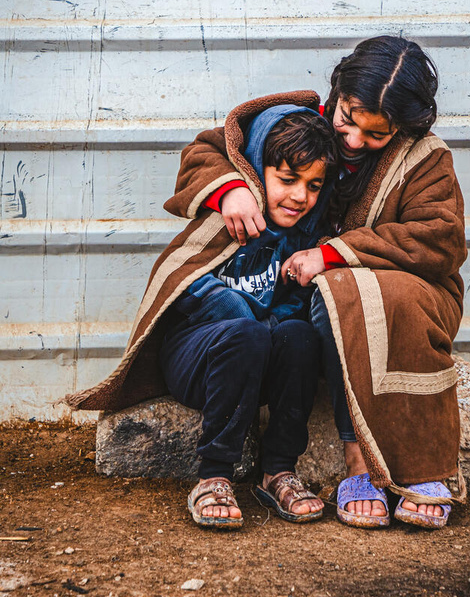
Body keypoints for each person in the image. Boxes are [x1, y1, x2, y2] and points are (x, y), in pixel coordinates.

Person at [211, 38, 468, 530]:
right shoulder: (300, 125)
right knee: (336, 294)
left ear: (405, 126)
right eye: (347, 118)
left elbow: (439, 240)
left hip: (411, 301)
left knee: (346, 287)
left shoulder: (427, 159)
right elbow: (209, 149)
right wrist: (233, 188)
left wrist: (333, 253)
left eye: (376, 133)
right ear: (338, 92)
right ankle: (359, 459)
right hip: (303, 310)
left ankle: (421, 468)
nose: (352, 141)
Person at [65, 97, 338, 530]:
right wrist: (246, 316)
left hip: (259, 367)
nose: (300, 196)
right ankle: (214, 476)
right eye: (287, 179)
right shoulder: (224, 221)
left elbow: (290, 312)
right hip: (199, 360)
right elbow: (183, 281)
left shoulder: (303, 241)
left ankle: (278, 471)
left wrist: (289, 295)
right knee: (246, 334)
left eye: (314, 185)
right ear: (255, 170)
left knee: (301, 337)